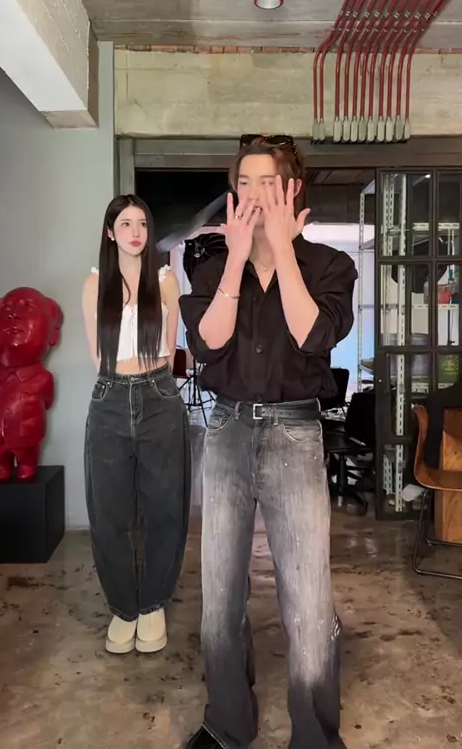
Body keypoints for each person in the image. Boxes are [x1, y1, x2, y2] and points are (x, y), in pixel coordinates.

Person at [180, 137, 357, 749]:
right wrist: (235, 260)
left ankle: (315, 737)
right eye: (245, 183)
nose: (254, 194)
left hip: (295, 431)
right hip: (227, 430)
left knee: (308, 598)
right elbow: (208, 344)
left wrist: (282, 250)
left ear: (292, 190)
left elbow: (314, 338)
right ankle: (227, 724)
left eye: (267, 182)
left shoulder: (330, 266)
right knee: (220, 594)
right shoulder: (210, 269)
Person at [82, 194, 191, 655]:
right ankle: (123, 607)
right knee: (109, 513)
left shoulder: (165, 280)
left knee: (166, 509)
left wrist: (151, 383)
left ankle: (154, 604)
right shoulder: (94, 284)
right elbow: (97, 356)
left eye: (142, 223)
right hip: (109, 398)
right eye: (125, 224)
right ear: (110, 233)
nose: (135, 232)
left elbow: (169, 347)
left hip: (158, 396)